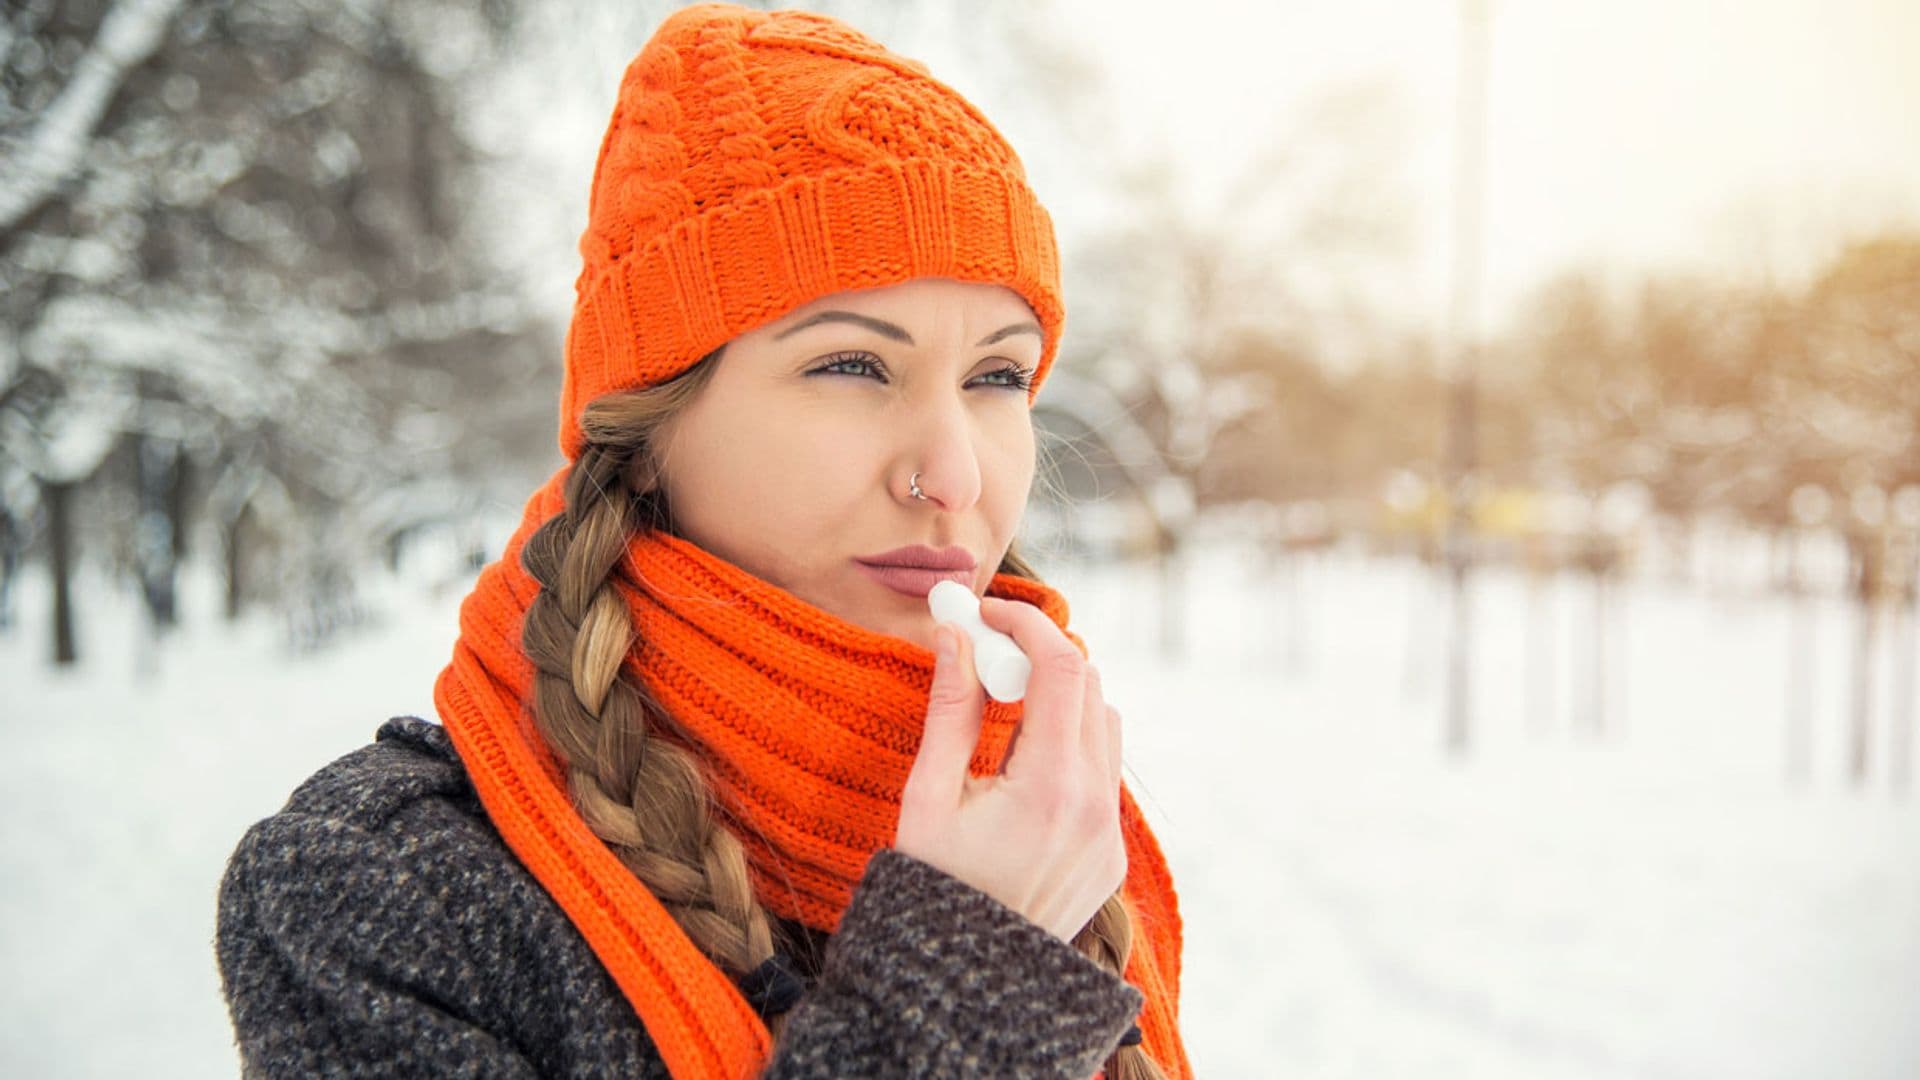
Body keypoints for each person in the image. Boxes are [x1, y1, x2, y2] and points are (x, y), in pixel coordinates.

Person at [214, 4, 1191, 1078]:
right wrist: (965, 990)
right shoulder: (385, 895)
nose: (954, 474)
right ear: (648, 427)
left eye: (997, 376)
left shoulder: (1059, 825)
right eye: (853, 366)